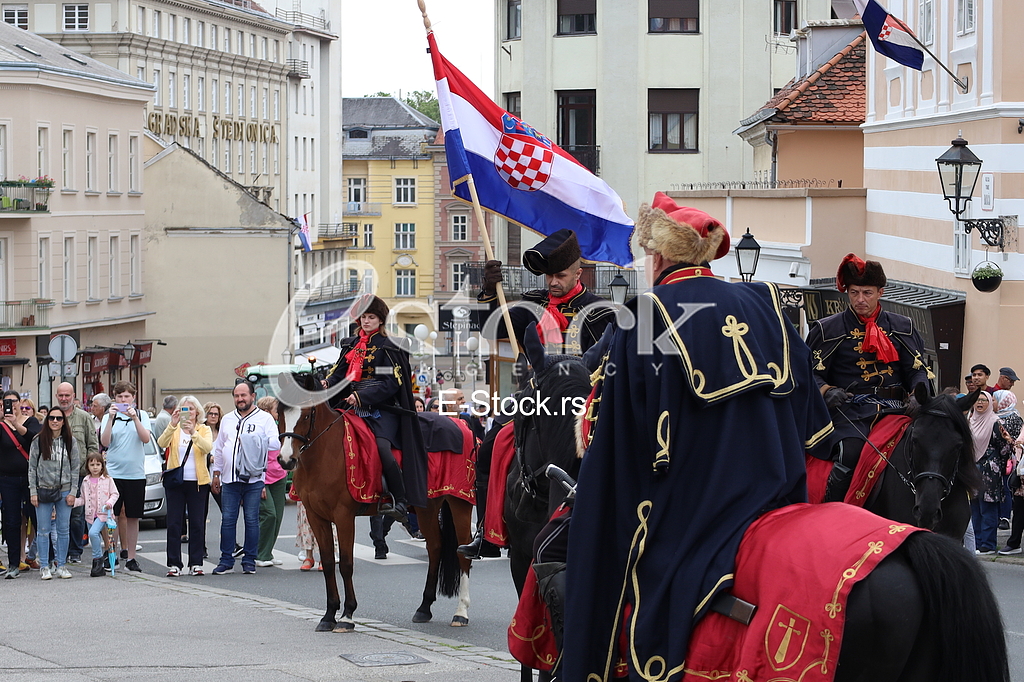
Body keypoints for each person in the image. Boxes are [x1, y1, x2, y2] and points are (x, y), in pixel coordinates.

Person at [562, 193, 833, 681]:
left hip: (693, 509)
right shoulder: (768, 303)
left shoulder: (645, 315)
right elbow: (816, 430)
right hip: (778, 496)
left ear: (661, 255)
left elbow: (615, 440)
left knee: (591, 550)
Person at [805, 254, 932, 502]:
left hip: (897, 411)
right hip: (850, 413)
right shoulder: (827, 329)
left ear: (880, 292)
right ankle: (835, 508)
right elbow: (810, 375)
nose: (860, 300)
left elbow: (917, 369)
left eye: (867, 292)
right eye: (854, 293)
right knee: (848, 453)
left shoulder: (902, 326)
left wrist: (918, 393)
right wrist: (827, 391)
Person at [321, 294, 427, 522]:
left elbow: (391, 383)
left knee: (382, 449)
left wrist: (362, 396)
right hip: (349, 406)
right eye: (363, 317)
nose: (366, 321)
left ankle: (398, 500)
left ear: (380, 320)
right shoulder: (350, 345)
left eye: (371, 317)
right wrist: (327, 383)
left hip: (382, 409)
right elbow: (339, 374)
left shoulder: (390, 347)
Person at [478, 229, 616, 356]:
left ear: (577, 274)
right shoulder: (533, 304)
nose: (553, 282)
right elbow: (490, 329)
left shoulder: (600, 311)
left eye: (561, 276)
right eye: (549, 275)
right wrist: (489, 291)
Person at [211, 381, 280, 575]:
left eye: (244, 395)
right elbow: (218, 447)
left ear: (252, 396)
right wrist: (216, 473)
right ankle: (226, 560)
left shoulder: (264, 419)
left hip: (254, 478)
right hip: (229, 478)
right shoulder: (227, 419)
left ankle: (249, 560)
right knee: (228, 519)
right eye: (237, 396)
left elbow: (275, 443)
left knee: (251, 519)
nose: (240, 399)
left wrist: (255, 440)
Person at [158, 395, 213, 577]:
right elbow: (161, 443)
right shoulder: (174, 429)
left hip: (198, 483)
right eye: (184, 409)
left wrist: (193, 433)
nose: (187, 412)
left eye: (190, 409)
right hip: (176, 482)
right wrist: (173, 424)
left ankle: (196, 563)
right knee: (174, 523)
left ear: (197, 412)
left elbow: (206, 447)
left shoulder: (203, 429)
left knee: (197, 523)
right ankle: (174, 563)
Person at [100, 380, 152, 573]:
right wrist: (111, 418)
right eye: (120, 396)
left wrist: (135, 418)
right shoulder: (109, 416)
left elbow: (145, 439)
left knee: (132, 516)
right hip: (113, 473)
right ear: (115, 398)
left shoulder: (142, 415)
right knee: (110, 514)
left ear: (133, 398)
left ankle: (131, 557)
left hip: (135, 474)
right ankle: (110, 552)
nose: (123, 400)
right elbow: (105, 442)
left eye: (127, 396)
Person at [28, 406, 81, 580]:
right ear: (47, 420)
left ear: (64, 421)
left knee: (63, 529)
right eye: (52, 418)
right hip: (43, 489)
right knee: (43, 530)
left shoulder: (71, 441)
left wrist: (73, 491)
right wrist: (33, 491)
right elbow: (32, 468)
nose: (55, 421)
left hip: (65, 489)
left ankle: (62, 565)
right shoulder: (38, 440)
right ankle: (44, 566)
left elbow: (75, 468)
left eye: (59, 418)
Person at [52, 382, 100, 565]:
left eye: (67, 395)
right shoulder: (52, 417)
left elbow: (92, 445)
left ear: (73, 396)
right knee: (58, 515)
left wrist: (91, 471)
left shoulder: (84, 417)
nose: (64, 399)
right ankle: (59, 552)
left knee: (76, 515)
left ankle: (75, 551)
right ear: (56, 396)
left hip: (79, 474)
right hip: (56, 476)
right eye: (61, 395)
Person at [0, 390, 41, 578]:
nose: (11, 405)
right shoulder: (1, 424)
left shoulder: (29, 420)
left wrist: (16, 423)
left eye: (14, 402)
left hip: (30, 477)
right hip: (7, 479)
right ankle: (14, 563)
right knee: (12, 521)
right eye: (6, 402)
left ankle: (41, 558)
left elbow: (34, 438)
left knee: (37, 517)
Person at [969, 392, 1009, 554]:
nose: (980, 403)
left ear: (990, 403)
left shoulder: (995, 423)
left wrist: (994, 462)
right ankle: (976, 543)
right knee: (975, 509)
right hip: (972, 470)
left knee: (988, 509)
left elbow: (1005, 448)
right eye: (977, 400)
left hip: (990, 472)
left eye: (984, 400)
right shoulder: (970, 421)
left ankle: (988, 544)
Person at [74, 453, 119, 577]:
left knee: (93, 533)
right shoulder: (85, 481)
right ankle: (98, 564)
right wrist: (74, 502)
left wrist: (109, 503)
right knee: (94, 539)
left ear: (102, 466)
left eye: (98, 464)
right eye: (92, 464)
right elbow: (83, 499)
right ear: (88, 466)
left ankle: (98, 559)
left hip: (103, 514)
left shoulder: (108, 479)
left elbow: (115, 494)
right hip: (89, 515)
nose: (95, 467)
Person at [255, 396, 286, 568]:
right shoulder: (260, 428)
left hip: (279, 475)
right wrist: (260, 481)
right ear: (267, 411)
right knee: (269, 514)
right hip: (264, 477)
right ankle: (260, 553)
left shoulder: (278, 426)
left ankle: (268, 552)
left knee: (278, 517)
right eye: (276, 409)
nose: (278, 413)